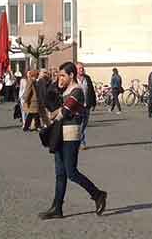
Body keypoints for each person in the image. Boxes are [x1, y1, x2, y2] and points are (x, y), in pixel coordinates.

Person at [38, 62, 108, 220]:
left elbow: (63, 112)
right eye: (59, 75)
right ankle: (57, 207)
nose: (60, 78)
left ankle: (97, 194)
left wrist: (56, 111)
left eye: (63, 75)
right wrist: (56, 86)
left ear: (71, 75)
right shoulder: (64, 90)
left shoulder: (77, 91)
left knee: (71, 172)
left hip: (70, 134)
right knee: (59, 173)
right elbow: (47, 101)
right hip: (59, 134)